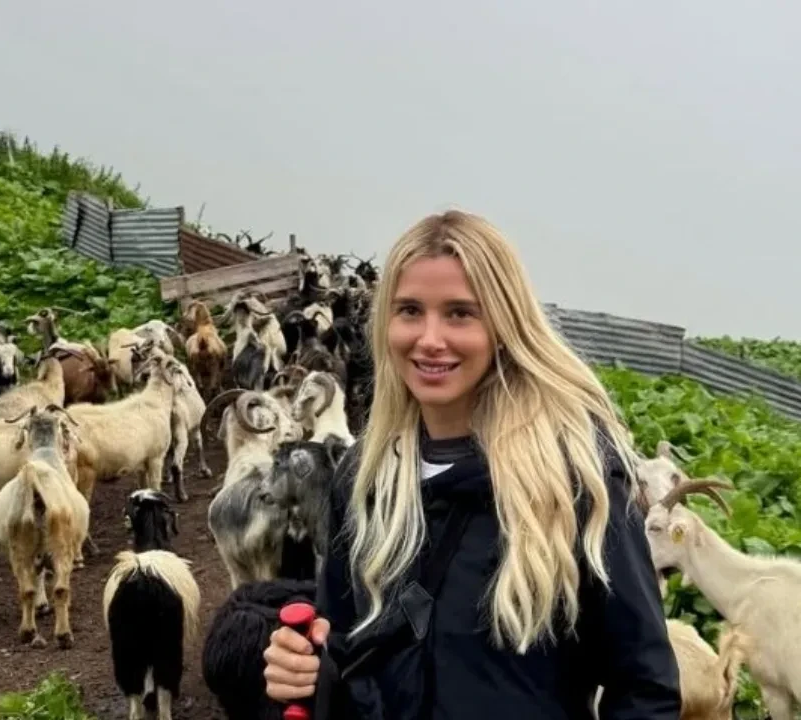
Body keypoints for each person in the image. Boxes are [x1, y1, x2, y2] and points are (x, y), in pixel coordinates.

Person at [262, 209, 681, 720]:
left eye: (460, 313)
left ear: (503, 324)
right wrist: (310, 671)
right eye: (410, 310)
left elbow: (644, 687)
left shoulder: (574, 479)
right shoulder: (365, 477)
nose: (430, 338)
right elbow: (350, 647)